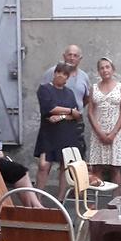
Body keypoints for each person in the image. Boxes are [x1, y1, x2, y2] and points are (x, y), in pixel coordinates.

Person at [35, 63, 84, 197]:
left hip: (67, 133)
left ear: (67, 77)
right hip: (48, 134)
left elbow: (76, 115)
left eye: (64, 74)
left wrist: (62, 116)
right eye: (58, 72)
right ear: (54, 73)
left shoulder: (69, 93)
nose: (60, 76)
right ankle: (37, 200)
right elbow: (49, 108)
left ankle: (60, 199)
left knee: (65, 166)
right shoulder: (44, 89)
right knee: (44, 165)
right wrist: (69, 111)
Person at [41, 44, 91, 157]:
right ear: (64, 56)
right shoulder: (52, 72)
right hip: (54, 120)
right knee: (46, 161)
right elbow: (44, 94)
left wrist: (76, 110)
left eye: (75, 55)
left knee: (72, 158)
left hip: (75, 121)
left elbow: (87, 97)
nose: (72, 58)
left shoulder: (84, 76)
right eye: (69, 55)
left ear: (80, 59)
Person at [87, 57, 121, 185]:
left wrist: (113, 133)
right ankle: (97, 197)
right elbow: (90, 112)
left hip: (115, 133)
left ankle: (116, 198)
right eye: (101, 68)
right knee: (97, 167)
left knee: (115, 168)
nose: (105, 70)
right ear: (98, 71)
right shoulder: (94, 88)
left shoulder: (120, 87)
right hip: (98, 133)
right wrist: (100, 133)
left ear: (113, 69)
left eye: (107, 67)